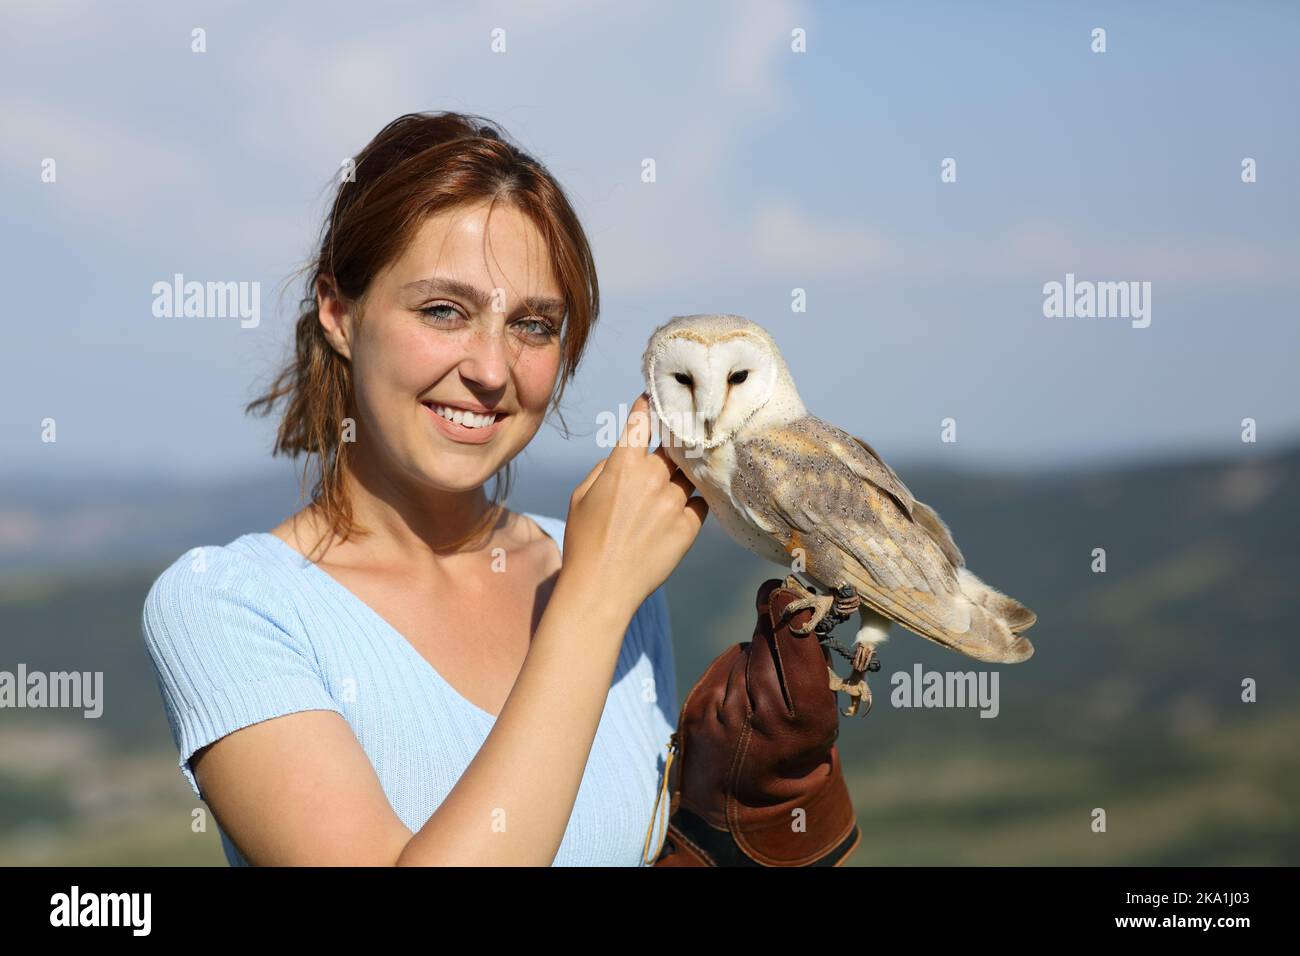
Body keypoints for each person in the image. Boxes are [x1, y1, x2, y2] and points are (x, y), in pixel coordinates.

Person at [140, 111, 708, 866]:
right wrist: (592, 603)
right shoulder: (230, 605)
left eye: (535, 325)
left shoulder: (609, 568)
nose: (492, 370)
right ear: (340, 313)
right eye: (444, 310)